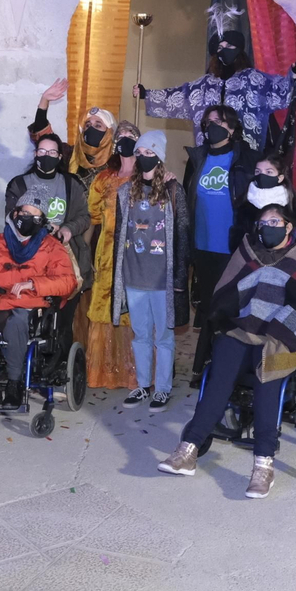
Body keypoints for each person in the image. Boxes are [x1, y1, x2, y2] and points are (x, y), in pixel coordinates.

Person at [156, 203, 296, 499]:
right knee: (221, 364)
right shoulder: (248, 252)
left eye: (274, 221)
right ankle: (188, 449)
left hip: (285, 333)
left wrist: (276, 325)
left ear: (288, 226)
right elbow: (227, 290)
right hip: (245, 326)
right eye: (263, 222)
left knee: (268, 365)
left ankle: (263, 464)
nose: (268, 226)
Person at [139, 1, 296, 153]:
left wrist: (293, 76)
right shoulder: (205, 84)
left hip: (244, 155)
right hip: (210, 153)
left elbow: (279, 92)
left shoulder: (254, 80)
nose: (224, 49)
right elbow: (178, 97)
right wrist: (146, 94)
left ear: (239, 50)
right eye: (220, 46)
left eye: (229, 45)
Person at [0, 195, 78, 405]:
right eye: (24, 213)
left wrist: (35, 284)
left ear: (42, 221)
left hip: (29, 304)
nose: (27, 219)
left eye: (34, 217)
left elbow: (67, 282)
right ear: (15, 213)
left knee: (16, 323)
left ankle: (14, 383)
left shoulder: (52, 247)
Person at [110, 131, 190, 411]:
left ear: (159, 156)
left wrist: (180, 278)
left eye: (149, 153)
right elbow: (120, 235)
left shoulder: (173, 191)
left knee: (163, 337)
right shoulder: (125, 191)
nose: (143, 157)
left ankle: (163, 388)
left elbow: (182, 234)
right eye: (139, 152)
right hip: (133, 276)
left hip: (161, 279)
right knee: (140, 334)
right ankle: (143, 385)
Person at [182, 104, 262, 385]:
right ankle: (205, 368)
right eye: (207, 121)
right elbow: (186, 202)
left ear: (232, 127)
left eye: (218, 121)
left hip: (234, 247)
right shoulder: (198, 158)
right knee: (209, 307)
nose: (212, 125)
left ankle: (231, 369)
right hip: (203, 247)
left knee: (234, 308)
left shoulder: (245, 159)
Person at [84, 121, 143, 389]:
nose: (126, 140)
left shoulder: (148, 178)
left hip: (138, 256)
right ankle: (105, 371)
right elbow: (93, 216)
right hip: (107, 255)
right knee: (104, 308)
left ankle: (136, 372)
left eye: (131, 136)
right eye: (121, 136)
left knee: (135, 308)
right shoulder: (103, 179)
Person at [5, 131, 93, 300]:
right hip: (29, 256)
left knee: (64, 309)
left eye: (52, 152)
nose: (47, 156)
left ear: (60, 156)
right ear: (35, 154)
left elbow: (84, 217)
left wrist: (68, 229)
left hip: (66, 254)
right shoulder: (19, 184)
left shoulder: (71, 184)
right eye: (42, 152)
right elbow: (11, 218)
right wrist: (39, 227)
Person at [29, 77, 120, 181]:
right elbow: (42, 136)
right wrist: (44, 101)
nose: (91, 129)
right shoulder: (70, 154)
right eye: (87, 125)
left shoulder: (118, 161)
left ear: (110, 132)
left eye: (98, 125)